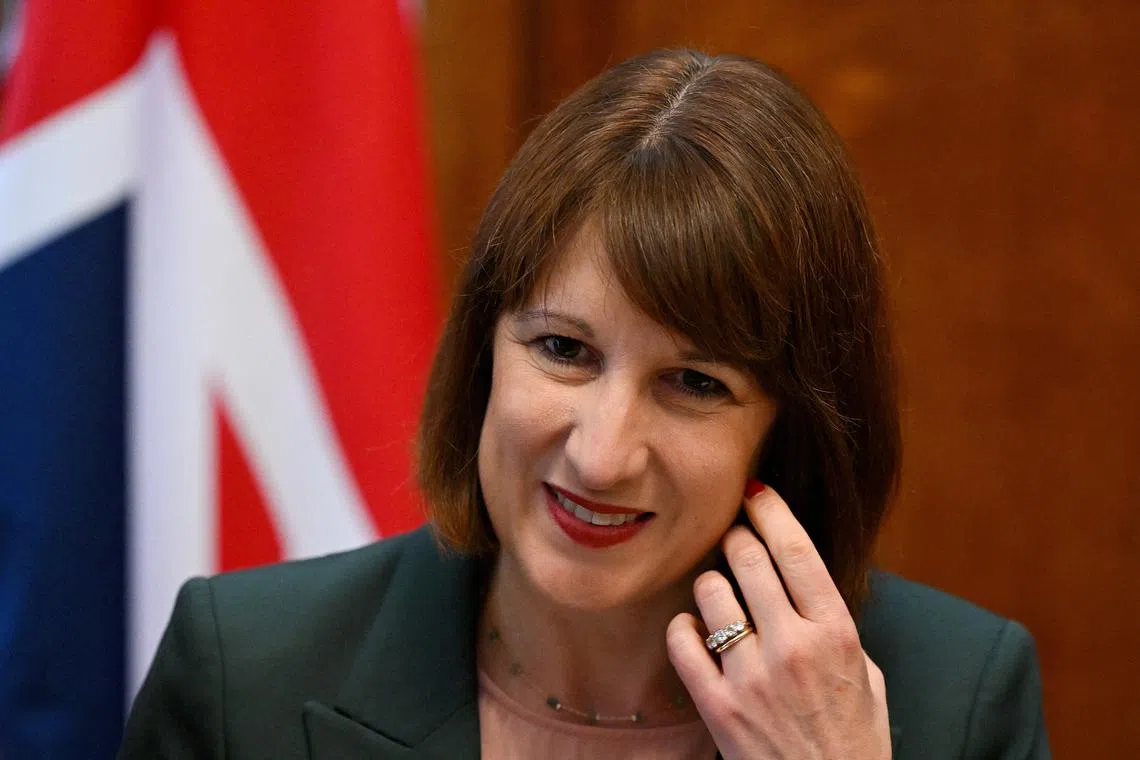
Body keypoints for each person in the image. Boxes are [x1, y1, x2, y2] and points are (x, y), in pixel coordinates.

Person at [118, 49, 1050, 759]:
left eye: (695, 384)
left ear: (787, 428)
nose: (602, 455)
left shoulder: (956, 701)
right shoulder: (245, 675)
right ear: (483, 352)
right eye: (563, 350)